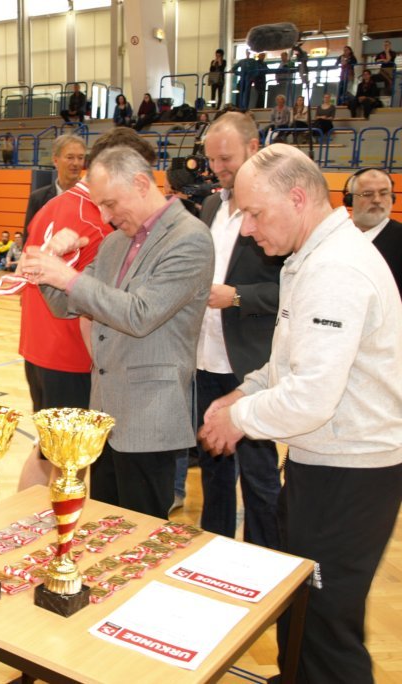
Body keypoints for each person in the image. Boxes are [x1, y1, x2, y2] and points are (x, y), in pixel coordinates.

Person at [199, 144, 402, 684]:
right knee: (302, 610)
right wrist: (243, 393)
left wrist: (238, 419)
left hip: (351, 473)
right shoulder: (310, 258)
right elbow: (288, 364)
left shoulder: (335, 269)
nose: (247, 231)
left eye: (255, 214)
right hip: (325, 464)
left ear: (296, 198)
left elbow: (311, 397)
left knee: (326, 627)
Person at [21, 147, 214, 517]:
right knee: (106, 528)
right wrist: (47, 266)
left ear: (140, 184)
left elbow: (140, 314)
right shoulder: (115, 242)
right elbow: (67, 305)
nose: (105, 216)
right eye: (100, 206)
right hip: (105, 414)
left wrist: (68, 277)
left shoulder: (190, 237)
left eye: (110, 204)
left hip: (148, 416)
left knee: (141, 531)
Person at [14, 133, 127, 491]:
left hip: (36, 348)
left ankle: (24, 519)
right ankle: (59, 522)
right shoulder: (97, 221)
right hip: (70, 355)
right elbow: (92, 305)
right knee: (71, 462)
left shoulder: (50, 206)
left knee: (46, 450)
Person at [194, 112, 283, 548]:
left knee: (259, 475)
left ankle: (268, 558)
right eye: (211, 160)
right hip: (205, 358)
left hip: (250, 364)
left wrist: (237, 297)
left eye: (225, 158)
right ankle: (214, 548)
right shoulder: (212, 205)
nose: (217, 168)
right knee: (213, 465)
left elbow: (291, 289)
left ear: (253, 148)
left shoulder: (276, 210)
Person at [22, 134, 86, 243]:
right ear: (55, 160)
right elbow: (29, 240)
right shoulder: (38, 198)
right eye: (70, 157)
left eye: (80, 158)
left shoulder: (94, 198)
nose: (76, 163)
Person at [348, 168, 402, 293]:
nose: (377, 200)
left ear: (392, 198)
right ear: (350, 199)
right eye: (367, 194)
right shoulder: (336, 236)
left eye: (384, 193)